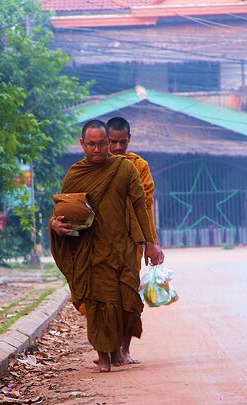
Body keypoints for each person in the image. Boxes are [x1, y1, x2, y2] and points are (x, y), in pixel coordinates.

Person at [50, 120, 163, 373]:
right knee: (99, 302)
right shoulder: (76, 174)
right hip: (90, 248)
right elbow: (63, 209)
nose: (98, 149)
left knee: (126, 300)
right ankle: (103, 356)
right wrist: (54, 225)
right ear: (82, 144)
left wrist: (150, 244)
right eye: (92, 144)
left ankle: (120, 350)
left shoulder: (125, 169)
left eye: (102, 144)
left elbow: (140, 207)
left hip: (123, 246)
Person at [106, 116, 163, 363]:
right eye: (112, 142)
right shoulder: (93, 166)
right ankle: (107, 349)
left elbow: (145, 206)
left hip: (130, 240)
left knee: (128, 294)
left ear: (129, 139)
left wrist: (150, 243)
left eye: (122, 142)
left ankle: (125, 349)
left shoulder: (139, 166)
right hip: (101, 241)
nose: (118, 148)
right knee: (105, 297)